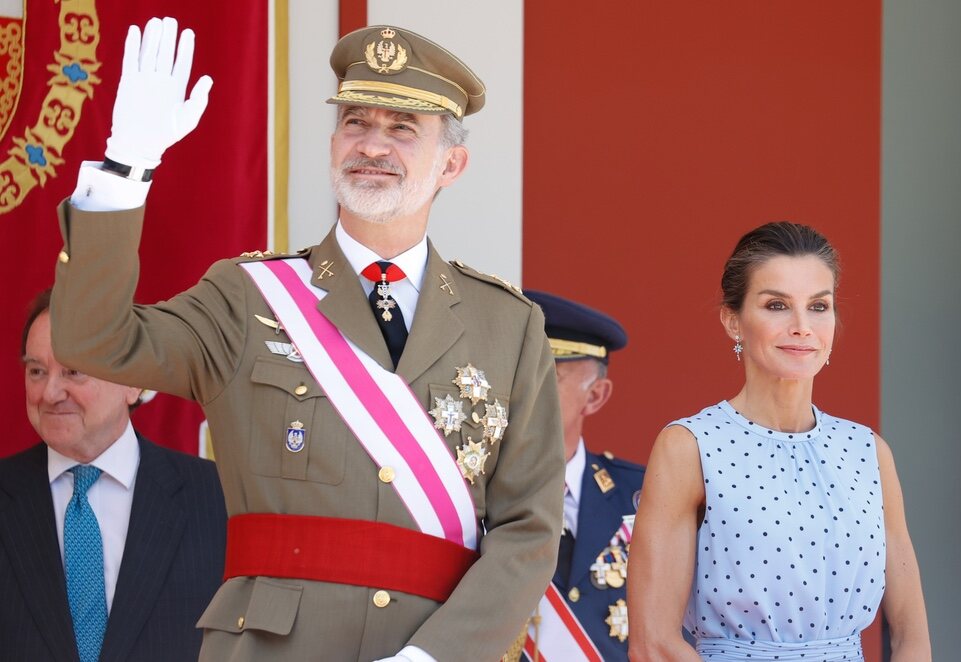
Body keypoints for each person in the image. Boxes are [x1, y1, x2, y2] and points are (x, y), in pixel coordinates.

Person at [49, 17, 563, 662]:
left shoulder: (507, 326)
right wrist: (125, 168)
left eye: (403, 128)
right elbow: (95, 343)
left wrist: (434, 657)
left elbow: (529, 530)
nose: (372, 145)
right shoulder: (247, 296)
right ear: (332, 142)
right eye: (356, 121)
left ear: (451, 164)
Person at [627, 223, 931, 662]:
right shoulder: (690, 447)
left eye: (819, 306)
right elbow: (653, 644)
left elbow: (912, 638)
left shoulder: (869, 452)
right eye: (776, 305)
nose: (802, 327)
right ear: (733, 321)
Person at [0, 289, 227, 662]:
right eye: (37, 371)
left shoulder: (217, 498)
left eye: (73, 371)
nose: (51, 392)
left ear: (134, 381)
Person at [523, 290, 641, 660]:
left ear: (595, 397)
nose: (522, 390)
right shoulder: (466, 492)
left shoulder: (642, 495)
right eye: (513, 374)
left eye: (547, 376)